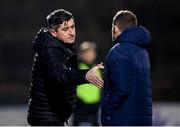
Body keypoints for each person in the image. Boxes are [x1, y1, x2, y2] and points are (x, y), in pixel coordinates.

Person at [27, 9, 103, 126]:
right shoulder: (49, 50)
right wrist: (85, 75)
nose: (71, 32)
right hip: (46, 119)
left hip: (55, 116)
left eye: (73, 27)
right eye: (65, 29)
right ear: (53, 32)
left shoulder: (62, 45)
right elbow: (59, 74)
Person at [101, 10, 152, 126]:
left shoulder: (119, 51)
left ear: (115, 28)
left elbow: (120, 89)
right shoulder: (142, 52)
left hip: (122, 119)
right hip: (143, 120)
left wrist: (106, 110)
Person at [73, 41, 101, 126]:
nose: (89, 55)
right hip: (81, 106)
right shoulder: (77, 67)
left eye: (92, 52)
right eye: (86, 53)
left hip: (95, 107)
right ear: (81, 54)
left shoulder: (97, 68)